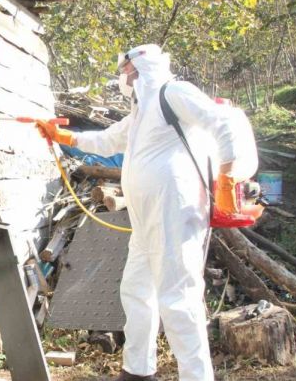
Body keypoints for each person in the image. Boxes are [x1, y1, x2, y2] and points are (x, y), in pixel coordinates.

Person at [37, 44, 248, 381]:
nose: (123, 77)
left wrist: (226, 176)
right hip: (145, 220)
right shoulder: (139, 113)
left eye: (126, 70)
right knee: (136, 291)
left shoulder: (174, 93)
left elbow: (223, 124)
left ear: (140, 68)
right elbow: (105, 141)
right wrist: (62, 136)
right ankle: (138, 371)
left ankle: (196, 376)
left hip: (175, 212)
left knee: (178, 299)